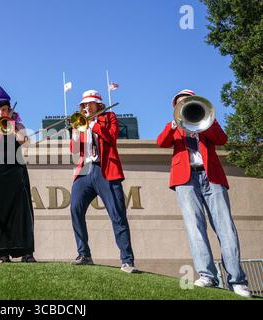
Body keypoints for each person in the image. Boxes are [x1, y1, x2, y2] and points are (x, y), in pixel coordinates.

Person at [157, 89, 251, 298]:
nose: (185, 106)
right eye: (180, 104)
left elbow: (222, 139)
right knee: (195, 228)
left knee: (226, 228)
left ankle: (237, 281)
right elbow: (161, 142)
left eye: (188, 102)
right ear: (176, 109)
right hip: (185, 179)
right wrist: (176, 124)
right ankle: (207, 275)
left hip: (212, 177)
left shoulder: (208, 120)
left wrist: (203, 123)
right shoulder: (174, 126)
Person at [69, 90, 137, 273]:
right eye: (84, 104)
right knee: (75, 209)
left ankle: (127, 260)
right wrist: (75, 132)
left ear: (99, 105)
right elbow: (75, 151)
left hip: (105, 169)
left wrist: (94, 124)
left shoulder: (109, 117)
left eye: (90, 103)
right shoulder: (79, 123)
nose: (86, 107)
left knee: (117, 214)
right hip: (84, 170)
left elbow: (111, 137)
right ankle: (84, 254)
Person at [0, 83, 36, 264]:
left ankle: (26, 252)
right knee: (0, 210)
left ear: (10, 110)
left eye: (4, 109)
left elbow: (26, 143)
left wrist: (11, 128)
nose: (1, 112)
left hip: (17, 171)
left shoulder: (18, 124)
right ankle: (1, 252)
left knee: (21, 211)